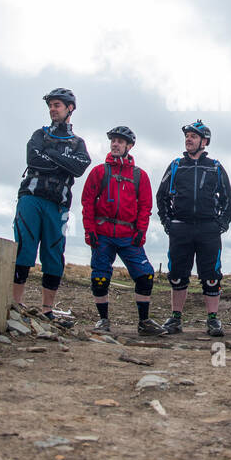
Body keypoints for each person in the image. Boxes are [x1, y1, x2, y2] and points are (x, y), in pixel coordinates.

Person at [12, 88, 91, 322]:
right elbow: (33, 159)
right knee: (24, 247)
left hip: (58, 204)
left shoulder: (78, 142)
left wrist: (51, 155)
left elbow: (79, 167)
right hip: (31, 197)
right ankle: (15, 304)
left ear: (70, 108)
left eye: (57, 105)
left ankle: (47, 309)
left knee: (54, 253)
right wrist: (62, 163)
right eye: (51, 105)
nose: (52, 109)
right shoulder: (40, 134)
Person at [80, 126, 167, 336]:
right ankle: (103, 321)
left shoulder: (140, 176)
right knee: (100, 278)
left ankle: (144, 322)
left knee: (145, 276)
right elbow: (87, 202)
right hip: (102, 234)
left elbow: (146, 206)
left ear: (129, 146)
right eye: (113, 141)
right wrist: (89, 230)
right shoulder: (99, 171)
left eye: (120, 141)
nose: (115, 144)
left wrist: (141, 232)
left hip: (129, 236)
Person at [156, 120, 231, 337]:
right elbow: (161, 196)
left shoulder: (215, 167)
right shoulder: (176, 165)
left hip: (209, 228)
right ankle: (176, 318)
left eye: (193, 136)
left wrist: (222, 223)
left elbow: (228, 199)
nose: (188, 139)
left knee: (211, 276)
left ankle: (212, 320)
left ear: (204, 141)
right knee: (178, 275)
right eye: (187, 136)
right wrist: (167, 222)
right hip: (180, 227)